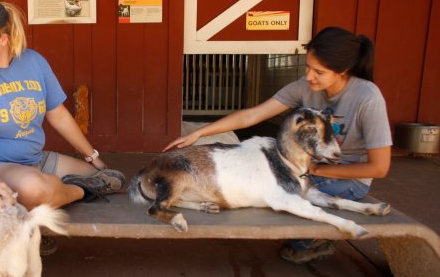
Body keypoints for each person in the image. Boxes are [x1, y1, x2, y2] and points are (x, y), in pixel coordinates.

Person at [164, 26, 392, 264]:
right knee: (262, 183)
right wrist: (200, 133)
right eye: (308, 67)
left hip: (347, 177)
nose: (309, 76)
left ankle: (316, 240)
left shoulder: (368, 98)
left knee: (280, 196)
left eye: (319, 72)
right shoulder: (306, 87)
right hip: (307, 165)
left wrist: (315, 170)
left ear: (343, 71)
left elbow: (378, 168)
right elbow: (252, 116)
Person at [0, 0, 125, 254]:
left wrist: (93, 157)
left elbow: (57, 115)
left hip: (33, 160)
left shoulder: (33, 62)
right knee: (35, 189)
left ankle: (53, 194)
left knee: (110, 179)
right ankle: (79, 192)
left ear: (3, 38)